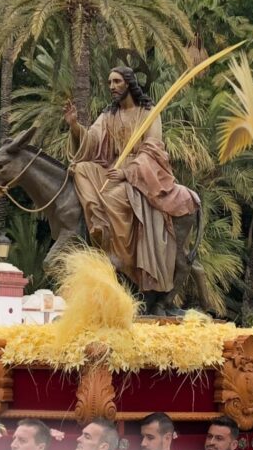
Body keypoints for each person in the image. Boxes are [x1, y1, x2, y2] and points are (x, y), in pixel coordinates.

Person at [64, 66, 199, 294]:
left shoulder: (148, 114)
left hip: (138, 176)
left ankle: (121, 257)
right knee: (80, 168)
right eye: (109, 83)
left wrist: (127, 172)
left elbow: (153, 150)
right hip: (111, 169)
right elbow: (93, 141)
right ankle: (97, 219)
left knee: (113, 196)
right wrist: (75, 126)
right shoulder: (108, 115)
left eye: (116, 82)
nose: (112, 87)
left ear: (128, 83)